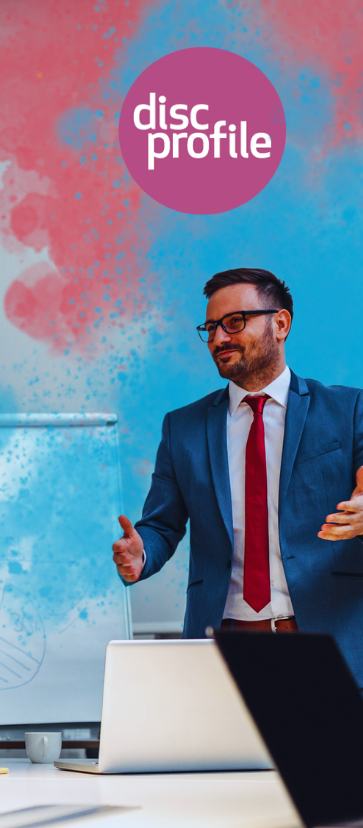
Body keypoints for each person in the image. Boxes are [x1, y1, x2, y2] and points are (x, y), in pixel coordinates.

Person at [112, 267, 363, 683]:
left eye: (233, 322)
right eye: (210, 328)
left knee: (325, 751)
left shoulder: (348, 409)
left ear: (279, 324)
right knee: (224, 753)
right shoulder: (183, 428)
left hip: (326, 640)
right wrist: (141, 554)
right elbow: (160, 526)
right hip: (222, 650)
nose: (217, 339)